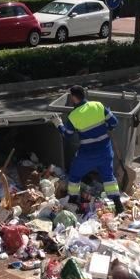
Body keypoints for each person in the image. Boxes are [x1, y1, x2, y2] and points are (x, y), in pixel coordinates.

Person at [53, 85, 123, 214]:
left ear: (74, 98)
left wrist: (59, 125)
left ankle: (73, 202)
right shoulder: (98, 105)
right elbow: (114, 123)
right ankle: (118, 204)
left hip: (87, 154)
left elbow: (67, 135)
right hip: (105, 151)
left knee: (75, 176)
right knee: (108, 177)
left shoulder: (73, 116)